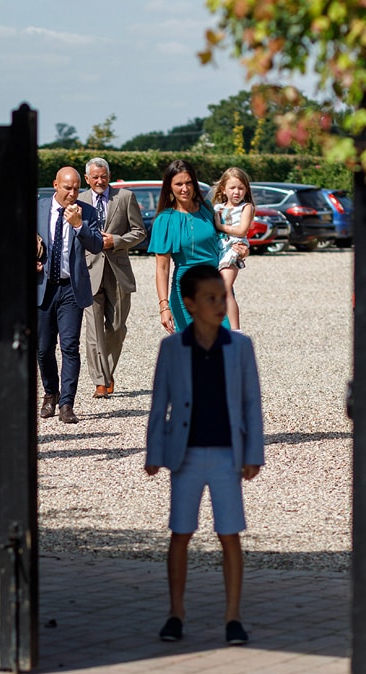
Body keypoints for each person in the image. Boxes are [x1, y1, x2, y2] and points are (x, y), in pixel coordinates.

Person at [143, 264, 264, 646]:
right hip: (187, 456)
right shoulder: (172, 348)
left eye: (222, 296)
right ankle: (175, 613)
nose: (219, 304)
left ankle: (233, 616)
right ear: (189, 303)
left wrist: (254, 452)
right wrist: (153, 452)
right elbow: (158, 403)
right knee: (181, 532)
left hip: (229, 455)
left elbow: (251, 403)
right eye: (210, 298)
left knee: (230, 534)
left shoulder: (240, 346)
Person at [147, 160, 248, 334]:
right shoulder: (164, 220)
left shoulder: (209, 209)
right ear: (169, 187)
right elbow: (162, 268)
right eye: (179, 184)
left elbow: (227, 240)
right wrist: (164, 307)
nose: (185, 188)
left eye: (188, 183)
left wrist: (242, 251)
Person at [36, 166, 102, 424]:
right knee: (43, 349)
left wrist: (78, 226)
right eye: (67, 188)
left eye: (76, 188)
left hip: (71, 288)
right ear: (55, 185)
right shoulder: (39, 208)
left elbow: (96, 245)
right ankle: (50, 393)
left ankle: (66, 404)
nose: (73, 193)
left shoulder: (88, 212)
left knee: (70, 346)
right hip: (44, 286)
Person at [78, 158, 146, 398]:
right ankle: (101, 380)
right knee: (94, 330)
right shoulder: (80, 201)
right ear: (87, 179)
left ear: (109, 175)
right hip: (89, 271)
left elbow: (139, 232)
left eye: (103, 176)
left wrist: (116, 241)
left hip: (118, 271)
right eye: (95, 177)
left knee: (116, 327)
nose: (99, 181)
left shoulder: (125, 198)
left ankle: (107, 370)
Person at [210, 166, 255, 330]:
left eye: (241, 188)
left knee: (224, 288)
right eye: (233, 187)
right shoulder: (217, 208)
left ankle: (236, 330)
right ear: (223, 188)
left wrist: (220, 226)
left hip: (233, 249)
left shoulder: (246, 207)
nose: (237, 192)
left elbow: (242, 230)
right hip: (218, 249)